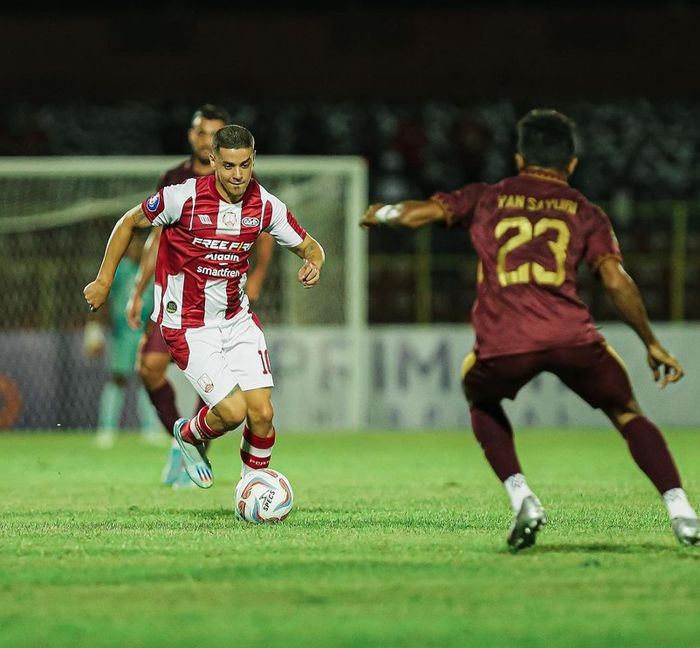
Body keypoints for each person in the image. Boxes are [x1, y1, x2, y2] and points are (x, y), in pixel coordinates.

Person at [361, 108, 699, 550]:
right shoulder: (585, 211)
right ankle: (682, 512)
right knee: (627, 411)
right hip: (572, 336)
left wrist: (382, 213)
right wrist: (651, 343)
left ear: (519, 159)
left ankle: (523, 496)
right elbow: (615, 280)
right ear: (572, 164)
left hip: (506, 342)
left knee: (479, 398)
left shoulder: (487, 197)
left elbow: (416, 215)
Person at [85, 124, 324, 491]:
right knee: (232, 413)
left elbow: (310, 245)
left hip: (237, 320)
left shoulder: (265, 205)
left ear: (253, 159)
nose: (238, 174)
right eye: (229, 166)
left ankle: (252, 487)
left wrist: (314, 261)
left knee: (262, 414)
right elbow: (128, 223)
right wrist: (104, 281)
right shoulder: (182, 198)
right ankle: (188, 433)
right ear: (213, 160)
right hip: (188, 326)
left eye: (245, 164)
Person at [125, 104, 275, 487]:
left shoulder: (242, 181)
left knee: (222, 382)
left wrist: (257, 275)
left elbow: (267, 230)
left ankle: (197, 445)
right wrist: (137, 290)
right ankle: (183, 442)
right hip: (174, 299)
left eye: (213, 131)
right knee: (149, 367)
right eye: (199, 130)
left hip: (222, 301)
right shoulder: (175, 181)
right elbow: (153, 236)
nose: (204, 137)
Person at [83, 233, 160, 448]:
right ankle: (107, 429)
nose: (135, 247)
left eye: (140, 242)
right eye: (132, 242)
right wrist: (94, 328)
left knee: (148, 379)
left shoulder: (153, 268)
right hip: (121, 334)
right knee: (117, 378)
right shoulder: (121, 269)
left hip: (145, 333)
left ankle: (150, 428)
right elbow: (102, 298)